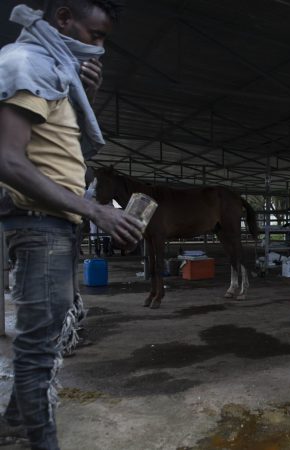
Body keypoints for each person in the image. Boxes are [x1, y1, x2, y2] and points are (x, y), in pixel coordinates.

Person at [0, 2, 143, 449]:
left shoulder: (54, 73)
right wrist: (98, 211)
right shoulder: (25, 62)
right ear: (63, 18)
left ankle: (13, 421)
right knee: (39, 347)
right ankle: (41, 441)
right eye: (94, 34)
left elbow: (65, 156)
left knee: (47, 331)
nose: (98, 48)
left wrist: (86, 97)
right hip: (40, 225)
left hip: (56, 225)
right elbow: (7, 159)